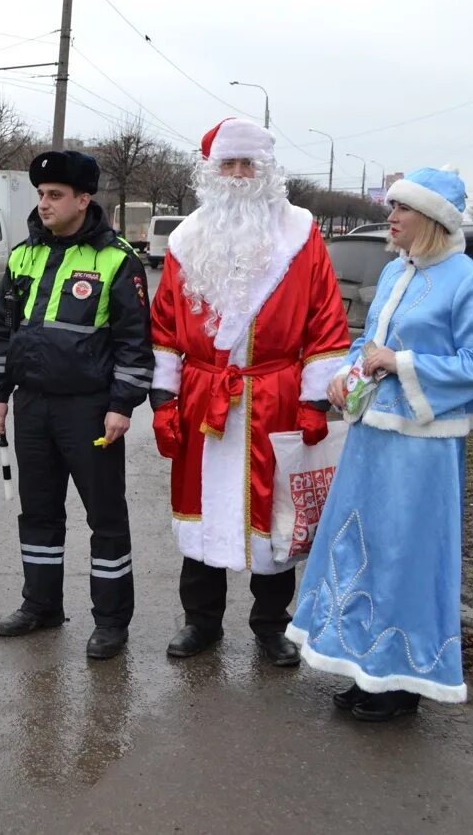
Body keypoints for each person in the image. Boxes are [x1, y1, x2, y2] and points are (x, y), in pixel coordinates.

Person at [287, 167, 473, 721]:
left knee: (406, 554)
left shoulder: (470, 282)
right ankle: (367, 668)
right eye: (392, 207)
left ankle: (402, 683)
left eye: (402, 209)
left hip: (424, 447)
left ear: (432, 219)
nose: (392, 217)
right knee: (361, 546)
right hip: (371, 436)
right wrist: (346, 369)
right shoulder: (392, 272)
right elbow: (370, 340)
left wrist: (401, 362)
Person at [148, 118, 350, 665]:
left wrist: (314, 402)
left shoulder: (301, 235)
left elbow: (326, 320)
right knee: (202, 510)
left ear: (267, 171)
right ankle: (202, 622)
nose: (238, 176)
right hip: (203, 397)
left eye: (248, 165)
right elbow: (165, 324)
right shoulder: (187, 239)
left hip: (275, 395)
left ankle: (269, 625)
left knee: (274, 517)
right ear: (212, 172)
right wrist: (163, 400)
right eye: (228, 165)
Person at [0, 149, 154, 660]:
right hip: (32, 406)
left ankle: (111, 622)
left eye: (55, 195)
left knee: (105, 518)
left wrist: (123, 405)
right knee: (37, 514)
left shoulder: (117, 258)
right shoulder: (22, 256)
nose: (44, 204)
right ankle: (41, 605)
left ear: (84, 200)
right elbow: (2, 329)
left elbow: (134, 341)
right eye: (40, 195)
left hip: (90, 410)